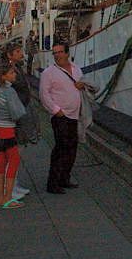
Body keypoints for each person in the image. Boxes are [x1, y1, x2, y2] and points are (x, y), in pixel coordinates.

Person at [39, 42, 84, 194]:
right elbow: (44, 94)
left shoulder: (76, 69)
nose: (57, 55)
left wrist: (81, 86)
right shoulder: (48, 73)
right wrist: (56, 110)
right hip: (61, 116)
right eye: (55, 53)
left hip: (75, 115)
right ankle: (53, 183)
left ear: (67, 53)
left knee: (72, 148)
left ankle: (65, 178)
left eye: (59, 52)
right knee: (61, 148)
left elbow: (81, 85)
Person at [0, 63, 26, 209]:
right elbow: (17, 112)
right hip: (7, 128)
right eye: (12, 73)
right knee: (14, 160)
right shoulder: (9, 91)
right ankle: (8, 198)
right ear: (4, 76)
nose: (15, 74)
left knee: (1, 161)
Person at [5, 41, 36, 199]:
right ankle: (10, 187)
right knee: (15, 151)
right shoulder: (11, 71)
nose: (21, 53)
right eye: (17, 51)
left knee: (17, 151)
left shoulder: (17, 69)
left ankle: (14, 184)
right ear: (10, 55)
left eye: (20, 51)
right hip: (16, 116)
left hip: (20, 112)